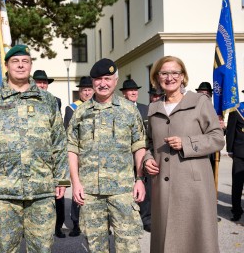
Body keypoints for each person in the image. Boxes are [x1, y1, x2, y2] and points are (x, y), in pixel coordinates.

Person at [0, 45, 69, 252]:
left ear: (30, 65)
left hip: (42, 189)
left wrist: (62, 180)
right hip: (3, 191)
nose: (20, 65)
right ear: (6, 66)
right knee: (5, 247)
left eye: (25, 61)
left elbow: (59, 141)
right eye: (15, 61)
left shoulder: (47, 100)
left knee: (42, 247)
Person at [144, 56, 225, 253]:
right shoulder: (153, 108)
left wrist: (187, 143)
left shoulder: (199, 101)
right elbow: (149, 141)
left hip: (194, 186)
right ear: (157, 77)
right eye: (164, 73)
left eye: (175, 73)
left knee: (196, 237)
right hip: (162, 187)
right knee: (165, 238)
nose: (169, 77)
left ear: (183, 77)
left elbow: (217, 137)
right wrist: (147, 158)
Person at [67, 58, 146, 252]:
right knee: (96, 246)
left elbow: (139, 146)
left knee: (128, 245)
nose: (103, 83)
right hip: (90, 192)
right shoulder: (80, 112)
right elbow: (71, 149)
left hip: (123, 190)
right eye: (98, 79)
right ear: (92, 82)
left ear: (116, 80)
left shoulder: (129, 110)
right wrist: (75, 183)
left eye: (108, 78)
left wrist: (140, 179)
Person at [32, 69, 66, 238]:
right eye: (39, 82)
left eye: (45, 82)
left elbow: (58, 130)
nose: (43, 85)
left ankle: (58, 226)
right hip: (36, 157)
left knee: (58, 193)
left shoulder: (55, 101)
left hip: (53, 154)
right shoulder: (28, 100)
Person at [63, 76, 94, 237]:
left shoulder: (99, 106)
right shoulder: (72, 108)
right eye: (84, 90)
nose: (87, 92)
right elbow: (68, 134)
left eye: (89, 89)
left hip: (96, 157)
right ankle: (76, 223)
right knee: (78, 188)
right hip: (80, 157)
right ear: (79, 92)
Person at [120, 78, 151, 232]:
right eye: (130, 90)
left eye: (135, 90)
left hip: (143, 153)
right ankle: (128, 218)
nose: (134, 93)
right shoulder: (120, 109)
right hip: (125, 157)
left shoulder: (146, 108)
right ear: (124, 93)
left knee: (145, 185)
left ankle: (146, 218)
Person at [226, 89, 244, 222]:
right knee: (237, 184)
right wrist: (230, 150)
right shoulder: (236, 109)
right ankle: (236, 210)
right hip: (240, 153)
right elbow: (231, 131)